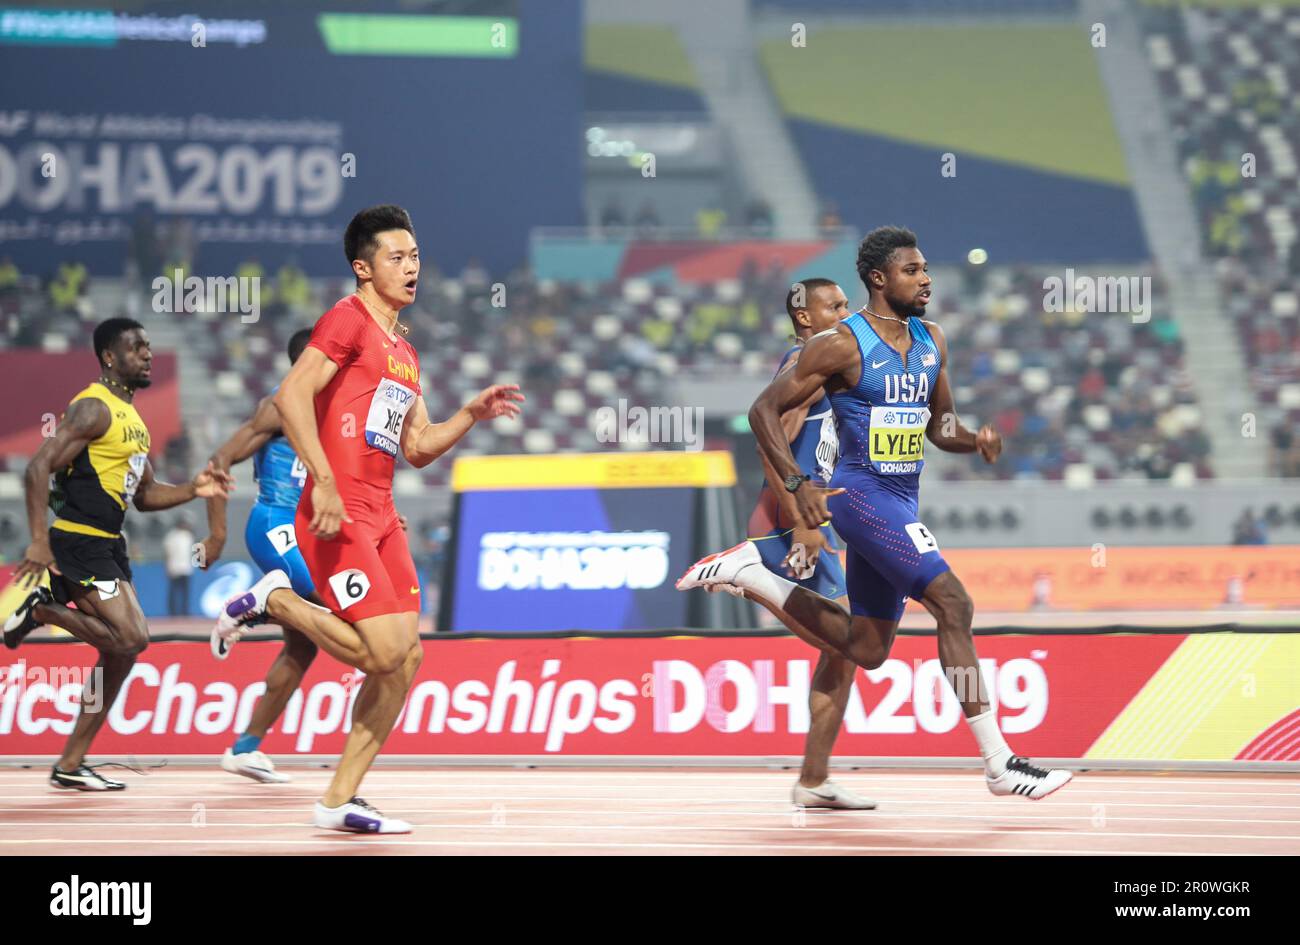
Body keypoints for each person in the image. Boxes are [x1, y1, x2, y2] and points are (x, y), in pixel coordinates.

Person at [679, 226, 1072, 801]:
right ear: (879, 279)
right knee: (954, 603)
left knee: (866, 649)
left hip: (902, 497)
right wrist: (796, 483)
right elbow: (763, 411)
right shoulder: (841, 343)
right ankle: (999, 762)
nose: (927, 278)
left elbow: (939, 427)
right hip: (862, 497)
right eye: (913, 270)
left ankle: (755, 577)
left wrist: (973, 440)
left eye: (926, 268)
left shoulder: (933, 338)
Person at [212, 205, 524, 833]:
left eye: (416, 257)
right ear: (363, 267)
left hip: (383, 515)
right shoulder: (347, 320)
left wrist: (468, 415)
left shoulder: (404, 351)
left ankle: (337, 800)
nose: (412, 268)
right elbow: (290, 396)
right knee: (383, 653)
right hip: (337, 513)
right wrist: (323, 480)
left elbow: (417, 446)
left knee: (407, 660)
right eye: (397, 257)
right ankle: (275, 599)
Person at [2, 317, 231, 790]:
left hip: (109, 544)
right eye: (136, 348)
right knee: (132, 638)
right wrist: (39, 539)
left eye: (148, 347)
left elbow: (145, 497)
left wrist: (194, 488)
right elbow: (37, 468)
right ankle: (42, 609)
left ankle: (70, 764)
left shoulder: (135, 423)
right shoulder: (94, 408)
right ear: (110, 357)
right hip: (78, 539)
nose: (147, 355)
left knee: (120, 657)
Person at [747, 277, 873, 809]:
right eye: (836, 306)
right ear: (806, 317)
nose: (847, 312)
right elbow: (768, 438)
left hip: (809, 525)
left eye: (848, 304)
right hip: (786, 526)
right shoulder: (804, 366)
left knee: (843, 654)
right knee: (855, 644)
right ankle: (747, 571)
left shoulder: (828, 364)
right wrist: (800, 519)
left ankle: (814, 780)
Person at [200, 328, 321, 783]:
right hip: (274, 524)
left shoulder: (330, 410)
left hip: (308, 530)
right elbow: (219, 459)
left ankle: (245, 748)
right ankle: (258, 605)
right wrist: (216, 535)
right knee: (333, 607)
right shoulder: (278, 405)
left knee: (304, 644)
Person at [162, 514, 195, 616]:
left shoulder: (189, 536)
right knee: (174, 592)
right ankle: (173, 613)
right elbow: (167, 553)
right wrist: (168, 567)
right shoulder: (171, 536)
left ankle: (184, 612)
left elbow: (191, 552)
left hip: (186, 568)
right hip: (174, 568)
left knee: (185, 593)